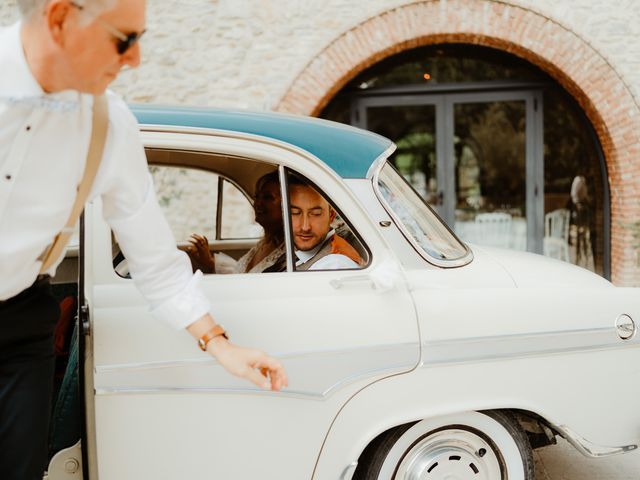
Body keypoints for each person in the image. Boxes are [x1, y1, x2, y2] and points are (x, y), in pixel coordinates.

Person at [0, 2, 287, 479]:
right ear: (59, 19)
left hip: (18, 332)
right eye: (124, 38)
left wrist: (220, 345)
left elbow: (153, 256)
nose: (135, 60)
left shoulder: (107, 125)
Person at [186, 171, 286, 274]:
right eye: (256, 197)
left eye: (267, 197)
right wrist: (209, 261)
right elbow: (241, 272)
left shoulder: (288, 255)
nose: (257, 203)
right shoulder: (264, 243)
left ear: (287, 205)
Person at [288, 178, 362, 271]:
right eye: (295, 212)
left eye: (316, 214)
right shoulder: (291, 248)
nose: (305, 227)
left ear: (331, 215)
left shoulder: (336, 265)